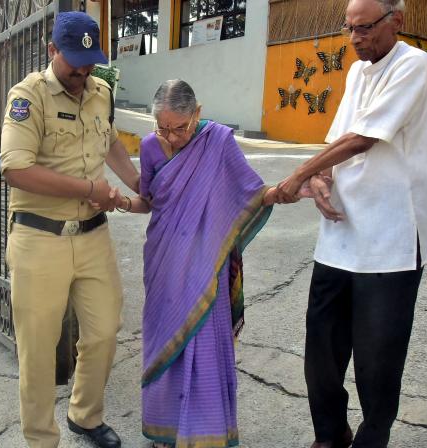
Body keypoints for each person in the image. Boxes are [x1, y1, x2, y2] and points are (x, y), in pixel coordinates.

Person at [275, 1, 427, 446]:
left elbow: (365, 137)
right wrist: (320, 176)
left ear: (398, 20)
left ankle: (372, 439)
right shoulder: (357, 72)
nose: (356, 38)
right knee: (321, 349)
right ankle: (329, 436)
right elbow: (339, 137)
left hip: (393, 236)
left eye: (365, 28)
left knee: (377, 360)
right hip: (340, 232)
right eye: (350, 29)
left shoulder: (415, 65)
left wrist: (299, 173)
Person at [105, 80, 299, 448]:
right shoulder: (149, 147)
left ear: (197, 113)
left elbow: (249, 191)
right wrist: (123, 203)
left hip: (208, 259)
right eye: (163, 128)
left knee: (205, 338)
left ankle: (206, 432)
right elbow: (150, 200)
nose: (172, 137)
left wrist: (281, 192)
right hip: (164, 259)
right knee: (165, 335)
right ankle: (166, 428)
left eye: (180, 127)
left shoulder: (218, 141)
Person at [0, 11, 140, 448]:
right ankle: (41, 438)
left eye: (89, 61)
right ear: (52, 51)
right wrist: (91, 188)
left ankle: (85, 414)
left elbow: (111, 141)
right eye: (73, 60)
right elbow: (15, 168)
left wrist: (138, 184)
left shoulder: (101, 91)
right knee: (39, 350)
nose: (81, 71)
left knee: (102, 332)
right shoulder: (28, 96)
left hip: (93, 236)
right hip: (40, 239)